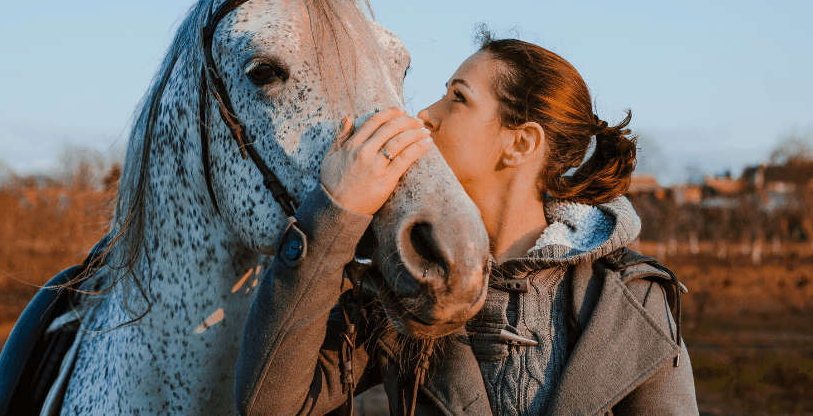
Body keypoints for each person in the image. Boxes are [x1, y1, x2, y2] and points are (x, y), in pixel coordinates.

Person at [235, 31, 699, 416]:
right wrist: (334, 213)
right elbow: (268, 406)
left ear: (519, 145)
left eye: (457, 97)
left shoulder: (630, 301)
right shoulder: (404, 283)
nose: (425, 116)